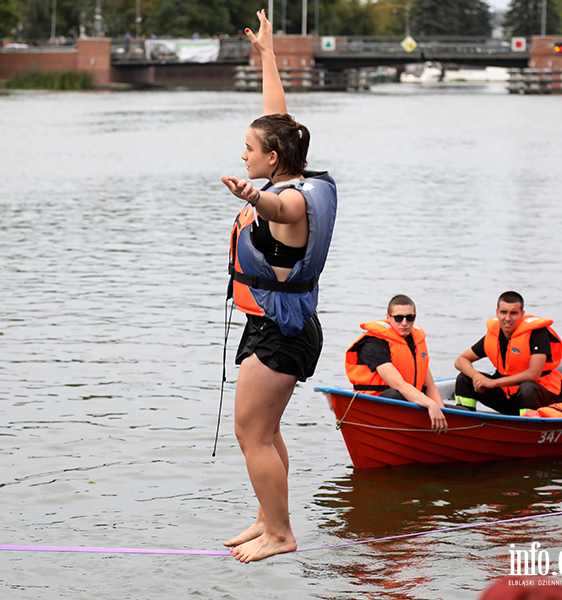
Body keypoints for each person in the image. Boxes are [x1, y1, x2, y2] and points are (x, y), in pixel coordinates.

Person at [220, 10, 337, 563]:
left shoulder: (289, 201)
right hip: (273, 323)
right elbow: (278, 118)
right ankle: (270, 517)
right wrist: (268, 54)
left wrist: (251, 196)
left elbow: (277, 206)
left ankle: (282, 533)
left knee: (253, 434)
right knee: (259, 432)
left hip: (282, 331)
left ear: (271, 159)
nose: (243, 152)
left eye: (249, 147)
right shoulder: (293, 166)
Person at [453, 291, 562, 415]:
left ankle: (528, 426)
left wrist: (493, 383)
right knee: (464, 378)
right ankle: (466, 420)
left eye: (513, 313)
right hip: (507, 395)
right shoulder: (494, 335)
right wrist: (477, 377)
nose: (507, 318)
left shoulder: (537, 334)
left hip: (541, 396)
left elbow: (533, 374)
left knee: (527, 389)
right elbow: (461, 360)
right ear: (497, 313)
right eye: (503, 312)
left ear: (522, 314)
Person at [344, 295, 447, 433]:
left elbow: (431, 388)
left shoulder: (415, 342)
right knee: (395, 395)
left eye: (409, 317)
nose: (404, 323)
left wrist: (444, 414)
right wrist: (430, 404)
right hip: (380, 403)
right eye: (398, 318)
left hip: (412, 402)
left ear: (414, 317)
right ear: (388, 318)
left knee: (461, 411)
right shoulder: (373, 344)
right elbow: (398, 384)